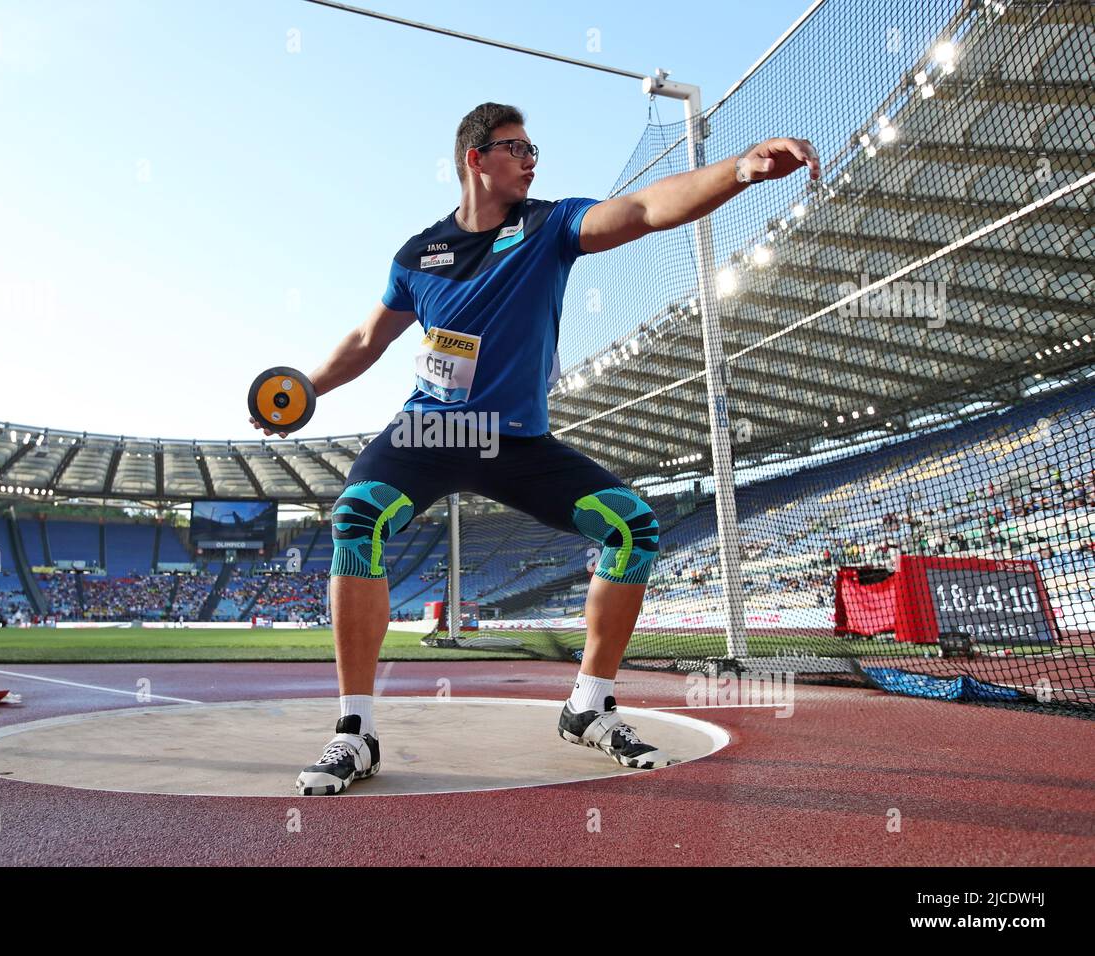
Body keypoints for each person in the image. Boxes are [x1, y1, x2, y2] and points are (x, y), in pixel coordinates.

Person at [249, 102, 818, 795]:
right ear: (475, 157)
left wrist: (740, 169)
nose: (531, 158)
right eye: (516, 147)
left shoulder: (548, 225)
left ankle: (588, 706)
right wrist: (305, 387)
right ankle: (356, 732)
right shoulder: (418, 255)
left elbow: (639, 209)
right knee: (357, 519)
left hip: (514, 441)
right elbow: (369, 341)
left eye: (533, 147)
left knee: (631, 525)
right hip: (432, 433)